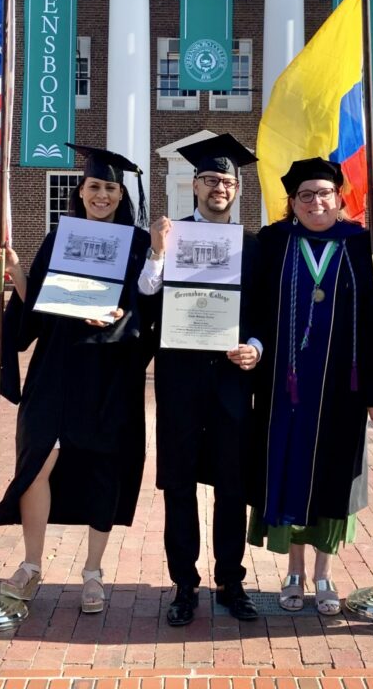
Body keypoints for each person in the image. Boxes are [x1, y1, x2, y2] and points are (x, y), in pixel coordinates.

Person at [0, 147, 154, 614]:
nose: (101, 195)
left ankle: (93, 572)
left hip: (109, 370)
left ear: (121, 195)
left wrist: (120, 319)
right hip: (56, 366)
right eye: (94, 186)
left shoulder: (138, 243)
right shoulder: (59, 237)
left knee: (104, 466)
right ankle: (31, 565)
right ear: (80, 191)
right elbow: (38, 307)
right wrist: (16, 270)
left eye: (110, 188)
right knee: (37, 460)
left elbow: (148, 305)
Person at [138, 133, 261, 626]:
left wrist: (255, 348)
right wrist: (157, 253)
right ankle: (184, 584)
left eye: (226, 181)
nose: (218, 188)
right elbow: (147, 297)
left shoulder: (250, 245)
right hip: (181, 380)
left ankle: (230, 580)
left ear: (236, 189)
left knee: (232, 484)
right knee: (180, 483)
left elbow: (263, 313)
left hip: (231, 380)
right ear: (194, 185)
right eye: (210, 179)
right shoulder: (173, 238)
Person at [247, 157, 373, 616]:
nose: (316, 202)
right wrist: (254, 345)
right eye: (306, 195)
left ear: (339, 198)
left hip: (343, 388)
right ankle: (294, 571)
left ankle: (324, 574)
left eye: (324, 193)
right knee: (288, 469)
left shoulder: (362, 244)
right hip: (286, 386)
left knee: (333, 475)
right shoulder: (273, 242)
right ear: (292, 202)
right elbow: (253, 306)